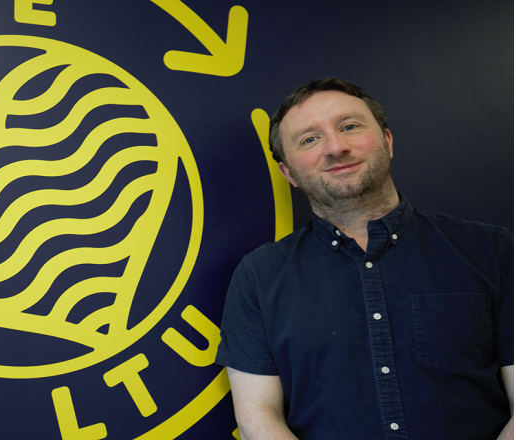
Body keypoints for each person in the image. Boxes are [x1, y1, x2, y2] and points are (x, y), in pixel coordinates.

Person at [215, 77, 513, 439]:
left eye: (350, 127)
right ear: (288, 173)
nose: (336, 147)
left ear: (387, 142)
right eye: (310, 139)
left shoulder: (493, 251)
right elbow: (258, 418)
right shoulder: (258, 277)